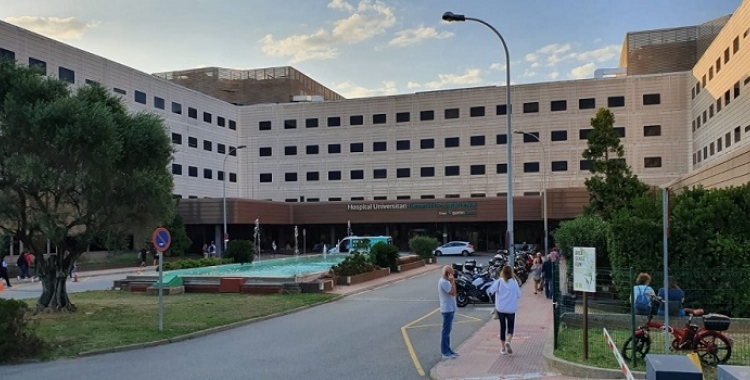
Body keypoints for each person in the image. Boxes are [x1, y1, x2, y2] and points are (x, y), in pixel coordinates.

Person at [488, 265, 522, 355]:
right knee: (510, 327)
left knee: (502, 328)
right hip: (511, 309)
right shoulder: (514, 283)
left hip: (501, 309)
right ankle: (508, 341)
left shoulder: (499, 282)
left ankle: (503, 348)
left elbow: (491, 290)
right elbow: (519, 295)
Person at [438, 265, 458, 360]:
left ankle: (448, 349)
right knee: (446, 332)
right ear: (448, 274)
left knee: (448, 331)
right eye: (452, 273)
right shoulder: (443, 282)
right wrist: (452, 281)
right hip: (447, 309)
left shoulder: (446, 281)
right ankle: (445, 352)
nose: (453, 275)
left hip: (450, 308)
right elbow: (453, 292)